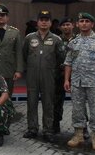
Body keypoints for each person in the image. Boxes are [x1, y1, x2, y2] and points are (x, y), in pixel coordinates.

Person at [64, 13, 95, 151]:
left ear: (92, 24)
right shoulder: (73, 41)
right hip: (76, 82)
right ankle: (78, 135)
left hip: (94, 82)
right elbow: (68, 62)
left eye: (87, 21)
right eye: (81, 21)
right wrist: (67, 79)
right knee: (77, 110)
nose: (84, 23)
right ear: (77, 24)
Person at [22, 10, 65, 142]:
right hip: (32, 75)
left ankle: (48, 130)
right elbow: (24, 55)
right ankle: (32, 129)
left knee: (48, 104)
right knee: (32, 103)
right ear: (38, 22)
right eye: (42, 19)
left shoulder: (57, 39)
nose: (44, 22)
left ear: (51, 23)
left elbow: (61, 59)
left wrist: (53, 72)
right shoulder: (29, 38)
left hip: (49, 76)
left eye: (47, 20)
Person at [53, 17, 76, 134]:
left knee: (79, 102)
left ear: (73, 25)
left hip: (76, 75)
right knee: (56, 101)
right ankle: (55, 124)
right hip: (59, 75)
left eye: (68, 24)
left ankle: (82, 128)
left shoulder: (79, 39)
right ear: (60, 27)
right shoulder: (56, 40)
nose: (66, 27)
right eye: (64, 25)